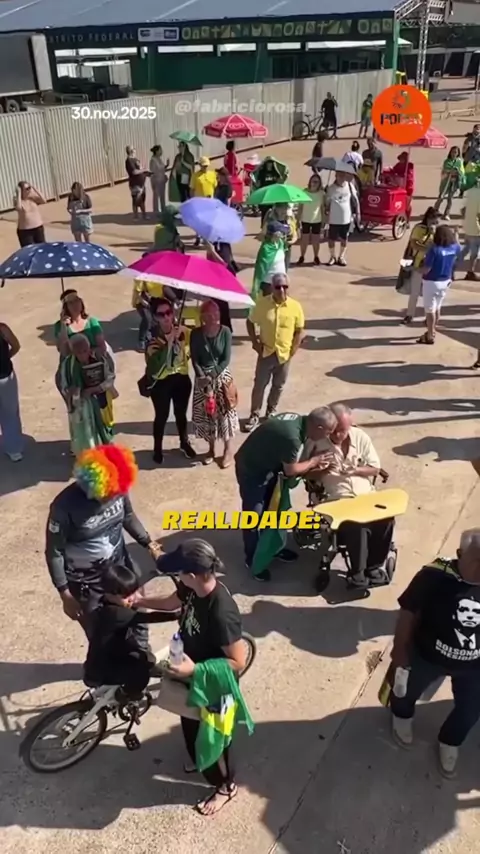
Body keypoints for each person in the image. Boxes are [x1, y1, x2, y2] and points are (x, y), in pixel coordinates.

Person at [136, 539, 247, 815]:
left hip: (213, 686)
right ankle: (200, 759)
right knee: (191, 727)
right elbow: (172, 601)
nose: (178, 577)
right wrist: (140, 601)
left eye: (180, 572)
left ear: (194, 574)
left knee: (215, 740)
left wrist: (194, 670)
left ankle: (225, 786)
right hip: (191, 678)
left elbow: (238, 661)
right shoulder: (191, 587)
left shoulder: (221, 612)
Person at [45, 444, 161, 639]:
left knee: (139, 620)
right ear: (93, 486)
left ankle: (141, 653)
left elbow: (128, 516)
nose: (115, 497)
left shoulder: (118, 488)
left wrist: (150, 544)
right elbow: (54, 552)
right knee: (101, 636)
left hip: (121, 571)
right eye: (109, 494)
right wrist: (65, 594)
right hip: (87, 584)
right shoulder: (63, 507)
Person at [390, 530, 480, 778]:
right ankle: (401, 717)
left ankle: (450, 742)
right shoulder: (434, 575)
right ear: (460, 555)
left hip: (474, 666)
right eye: (478, 561)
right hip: (426, 655)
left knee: (471, 710)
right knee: (403, 691)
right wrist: (400, 650)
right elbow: (408, 612)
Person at [235, 408, 338, 579]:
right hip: (252, 471)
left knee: (272, 510)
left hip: (269, 467)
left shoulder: (299, 421)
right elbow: (291, 470)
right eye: (328, 432)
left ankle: (271, 549)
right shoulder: (292, 437)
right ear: (319, 428)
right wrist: (313, 462)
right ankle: (253, 559)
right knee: (254, 516)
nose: (327, 437)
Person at [303, 403, 393, 589]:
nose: (337, 435)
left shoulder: (360, 437)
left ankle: (373, 567)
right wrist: (320, 470)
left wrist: (356, 470)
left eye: (342, 431)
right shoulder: (316, 441)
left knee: (386, 519)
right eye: (334, 431)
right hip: (336, 498)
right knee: (356, 523)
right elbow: (304, 474)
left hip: (365, 495)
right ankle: (357, 572)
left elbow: (375, 468)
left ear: (350, 426)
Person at [84, 562, 175, 698]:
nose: (132, 598)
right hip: (104, 670)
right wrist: (177, 615)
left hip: (103, 659)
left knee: (145, 657)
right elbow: (149, 617)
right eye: (126, 596)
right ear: (111, 594)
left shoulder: (102, 604)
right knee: (142, 673)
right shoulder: (116, 613)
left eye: (133, 593)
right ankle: (127, 695)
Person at [244, 273, 305, 433]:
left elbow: (299, 330)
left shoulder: (295, 307)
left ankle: (271, 412)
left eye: (285, 287)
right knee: (259, 385)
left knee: (278, 386)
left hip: (284, 354)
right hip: (266, 352)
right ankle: (254, 414)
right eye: (278, 287)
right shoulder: (262, 304)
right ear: (272, 287)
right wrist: (255, 343)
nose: (282, 290)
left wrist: (293, 349)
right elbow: (250, 322)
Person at [144, 298, 196, 465]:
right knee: (162, 416)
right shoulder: (151, 336)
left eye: (169, 312)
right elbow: (155, 363)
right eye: (161, 314)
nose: (167, 317)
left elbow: (195, 345)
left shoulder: (184, 331)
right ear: (155, 317)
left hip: (181, 379)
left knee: (181, 414)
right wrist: (170, 341)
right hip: (161, 381)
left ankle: (184, 442)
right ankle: (157, 448)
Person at [190, 300, 238, 468]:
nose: (214, 317)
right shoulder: (195, 334)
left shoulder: (225, 332)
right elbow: (195, 359)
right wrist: (202, 377)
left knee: (225, 415)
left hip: (221, 378)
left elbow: (225, 359)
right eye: (210, 314)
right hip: (202, 379)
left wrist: (211, 375)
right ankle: (211, 449)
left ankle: (228, 450)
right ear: (203, 317)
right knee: (208, 414)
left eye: (216, 313)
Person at [60, 333, 117, 453]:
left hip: (100, 402)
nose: (82, 355)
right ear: (73, 352)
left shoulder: (99, 358)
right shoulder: (67, 365)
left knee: (104, 429)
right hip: (81, 406)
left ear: (89, 348)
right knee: (85, 435)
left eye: (85, 351)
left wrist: (94, 389)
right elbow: (63, 385)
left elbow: (110, 378)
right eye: (78, 352)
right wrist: (72, 391)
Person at [419, 224, 461, 345]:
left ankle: (430, 335)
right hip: (445, 281)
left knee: (429, 310)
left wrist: (414, 269)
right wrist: (456, 233)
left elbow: (426, 269)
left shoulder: (434, 250)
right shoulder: (454, 248)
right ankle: (433, 330)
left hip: (431, 282)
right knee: (437, 307)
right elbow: (458, 244)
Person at [400, 206, 439, 326]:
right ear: (428, 218)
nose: (436, 222)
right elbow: (414, 244)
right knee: (415, 292)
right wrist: (428, 249)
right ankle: (409, 315)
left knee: (430, 295)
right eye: (434, 220)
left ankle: (429, 318)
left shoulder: (437, 232)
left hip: (431, 267)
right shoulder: (419, 228)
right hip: (418, 264)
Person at [0, 321, 23, 462]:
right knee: (10, 413)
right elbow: (16, 346)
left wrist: (5, 359)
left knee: (10, 412)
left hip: (5, 376)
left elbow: (16, 346)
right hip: (5, 374)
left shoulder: (2, 328)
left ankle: (13, 448)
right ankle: (14, 448)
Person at [252, 220, 289, 300]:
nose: (283, 233)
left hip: (280, 281)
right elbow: (261, 269)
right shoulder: (266, 248)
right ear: (275, 234)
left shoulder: (280, 243)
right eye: (281, 232)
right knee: (268, 303)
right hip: (268, 284)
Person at [325, 171, 354, 267]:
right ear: (336, 176)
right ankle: (332, 256)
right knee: (331, 239)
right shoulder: (331, 188)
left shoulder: (350, 186)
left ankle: (341, 257)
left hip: (346, 218)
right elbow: (327, 203)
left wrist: (356, 213)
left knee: (344, 238)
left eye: (343, 175)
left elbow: (354, 199)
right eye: (339, 175)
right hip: (334, 218)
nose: (341, 177)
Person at [297, 173, 325, 265]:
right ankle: (302, 256)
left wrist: (324, 220)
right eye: (313, 181)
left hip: (317, 220)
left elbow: (322, 208)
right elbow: (300, 207)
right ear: (310, 182)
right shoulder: (304, 192)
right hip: (305, 219)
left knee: (315, 240)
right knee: (304, 240)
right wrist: (297, 220)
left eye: (317, 182)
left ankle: (316, 256)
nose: (315, 184)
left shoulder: (321, 194)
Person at [131, 278, 167, 351]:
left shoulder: (164, 276)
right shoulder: (142, 277)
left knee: (158, 320)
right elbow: (138, 293)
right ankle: (141, 340)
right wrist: (144, 302)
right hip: (143, 301)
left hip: (157, 300)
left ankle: (154, 337)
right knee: (147, 318)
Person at [262, 203, 298, 271]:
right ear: (276, 209)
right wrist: (272, 238)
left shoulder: (290, 217)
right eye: (282, 208)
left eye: (286, 208)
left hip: (286, 249)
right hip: (272, 250)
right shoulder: (270, 217)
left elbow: (295, 235)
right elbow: (262, 235)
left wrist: (291, 241)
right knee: (272, 270)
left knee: (284, 270)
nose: (284, 210)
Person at [435, 146, 464, 220]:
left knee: (450, 199)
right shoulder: (447, 161)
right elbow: (445, 170)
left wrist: (457, 171)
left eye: (455, 152)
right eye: (452, 152)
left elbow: (462, 171)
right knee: (441, 198)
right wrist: (450, 171)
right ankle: (435, 211)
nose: (454, 154)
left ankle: (446, 214)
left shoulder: (459, 162)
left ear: (458, 153)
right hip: (446, 182)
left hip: (454, 183)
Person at [14, 181, 46, 246]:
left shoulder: (32, 198)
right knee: (29, 249)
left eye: (29, 188)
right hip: (25, 231)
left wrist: (35, 188)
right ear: (21, 190)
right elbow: (19, 208)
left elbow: (44, 200)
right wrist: (19, 193)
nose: (29, 190)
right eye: (27, 189)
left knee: (42, 247)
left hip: (38, 228)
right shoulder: (17, 200)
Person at [461, 178, 480, 281]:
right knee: (474, 254)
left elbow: (463, 209)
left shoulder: (470, 191)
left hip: (468, 226)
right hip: (476, 229)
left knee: (465, 250)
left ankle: (452, 266)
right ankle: (470, 272)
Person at [389, 151, 414, 220]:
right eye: (400, 159)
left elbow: (409, 177)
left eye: (402, 159)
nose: (401, 160)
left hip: (408, 188)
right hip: (398, 186)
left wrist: (403, 175)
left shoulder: (410, 166)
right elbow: (393, 170)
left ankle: (407, 219)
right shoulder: (398, 165)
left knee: (407, 205)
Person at [125, 146, 147, 219]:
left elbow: (140, 169)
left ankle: (144, 215)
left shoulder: (136, 159)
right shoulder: (129, 161)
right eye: (133, 148)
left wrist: (146, 173)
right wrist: (143, 170)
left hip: (141, 184)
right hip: (135, 184)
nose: (135, 150)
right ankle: (136, 216)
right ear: (131, 151)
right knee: (136, 200)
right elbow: (134, 172)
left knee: (142, 199)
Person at [149, 144, 169, 215]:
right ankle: (156, 211)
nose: (162, 151)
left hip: (162, 180)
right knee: (156, 196)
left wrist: (167, 165)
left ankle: (163, 210)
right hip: (156, 180)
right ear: (157, 151)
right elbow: (153, 171)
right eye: (160, 150)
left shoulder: (159, 159)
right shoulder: (153, 160)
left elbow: (162, 168)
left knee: (162, 196)